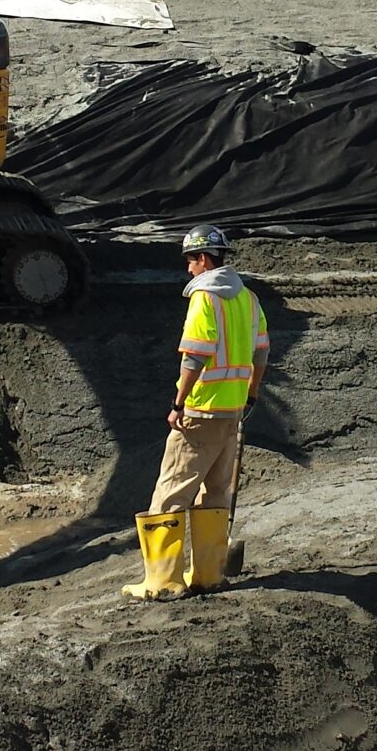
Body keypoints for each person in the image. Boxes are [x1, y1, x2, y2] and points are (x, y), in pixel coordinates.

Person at [122, 225, 270, 601]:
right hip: (232, 410)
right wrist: (250, 396)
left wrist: (178, 403)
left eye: (190, 260)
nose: (188, 269)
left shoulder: (205, 298)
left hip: (200, 410)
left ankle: (163, 582)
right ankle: (208, 575)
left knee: (171, 493)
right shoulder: (249, 299)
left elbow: (195, 355)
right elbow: (262, 353)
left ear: (204, 259)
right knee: (215, 492)